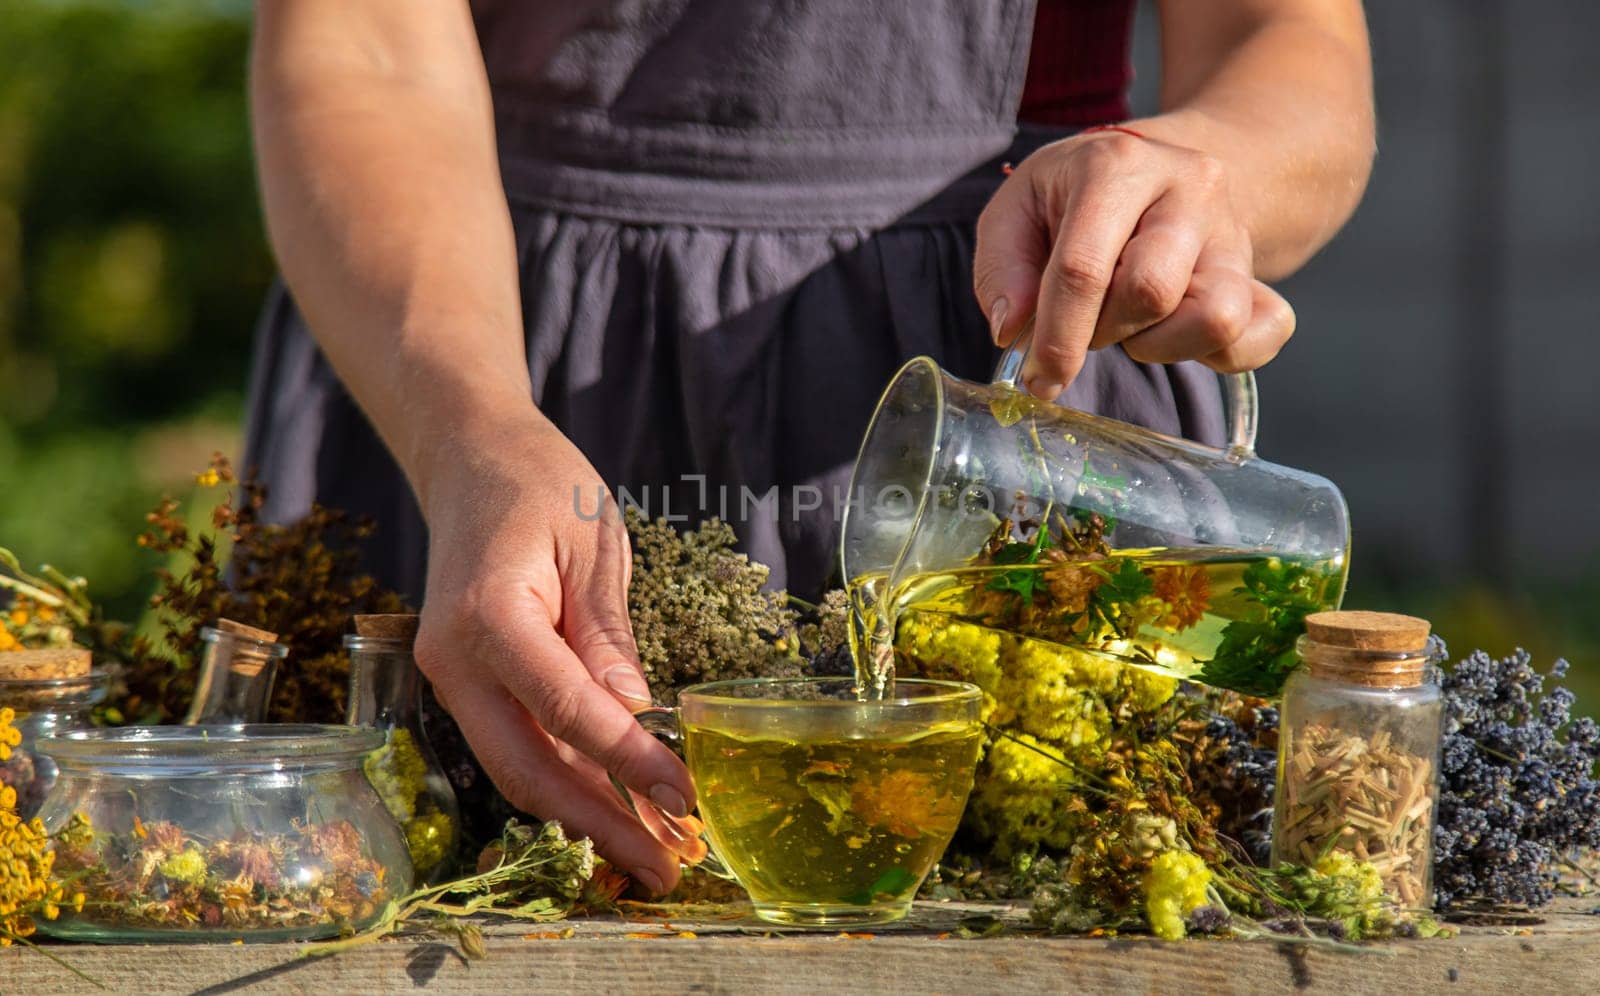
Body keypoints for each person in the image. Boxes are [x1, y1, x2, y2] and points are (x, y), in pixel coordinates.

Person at [244, 0, 1374, 893]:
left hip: (1018, 360)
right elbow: (362, 43)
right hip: (488, 342)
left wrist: (1192, 174)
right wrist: (469, 429)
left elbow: (1288, 40)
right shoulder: (477, 406)